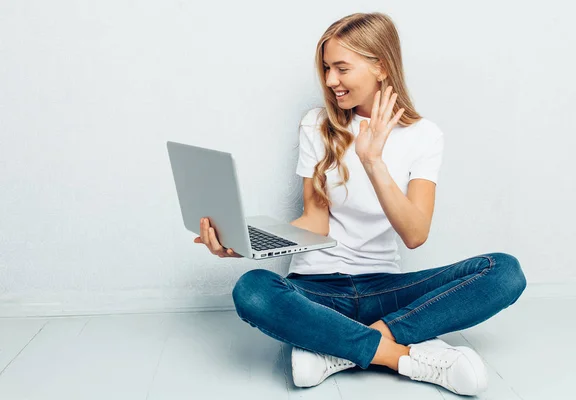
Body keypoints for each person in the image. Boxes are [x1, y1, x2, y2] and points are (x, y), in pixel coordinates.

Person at [194, 12, 526, 397]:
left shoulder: (424, 136)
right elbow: (315, 222)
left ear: (380, 66)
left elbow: (415, 234)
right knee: (252, 289)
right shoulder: (316, 124)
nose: (330, 80)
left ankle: (340, 349)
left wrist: (373, 161)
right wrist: (246, 243)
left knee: (504, 271)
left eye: (341, 68)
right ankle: (399, 356)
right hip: (315, 292)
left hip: (384, 289)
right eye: (326, 69)